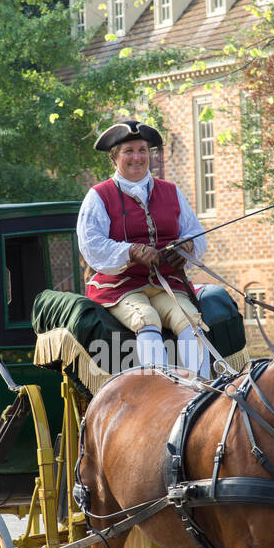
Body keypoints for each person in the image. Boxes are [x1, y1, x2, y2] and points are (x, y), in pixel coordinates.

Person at [76, 120, 210, 377]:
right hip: (120, 286)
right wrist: (131, 252)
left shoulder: (171, 191)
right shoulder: (98, 196)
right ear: (114, 158)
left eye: (142, 150)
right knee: (147, 319)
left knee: (190, 321)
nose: (137, 157)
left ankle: (202, 389)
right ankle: (160, 390)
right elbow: (91, 244)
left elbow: (194, 231)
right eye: (129, 151)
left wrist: (186, 247)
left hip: (166, 283)